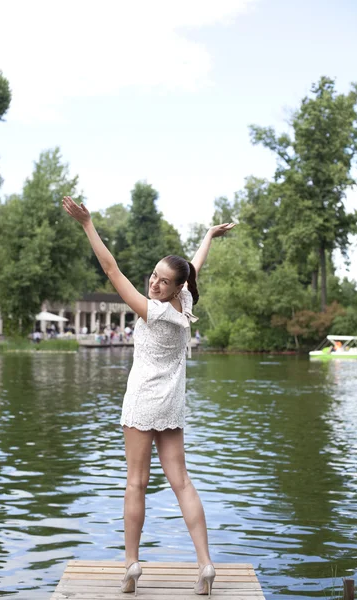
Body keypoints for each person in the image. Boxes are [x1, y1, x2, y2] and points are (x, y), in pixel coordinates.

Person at [62, 196, 235, 597]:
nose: (154, 283)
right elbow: (194, 267)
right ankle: (205, 564)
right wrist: (208, 235)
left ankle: (131, 564)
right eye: (153, 275)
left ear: (174, 286)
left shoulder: (151, 310)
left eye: (161, 280)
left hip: (142, 403)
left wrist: (88, 224)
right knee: (182, 482)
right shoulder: (185, 304)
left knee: (135, 483)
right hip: (171, 404)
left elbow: (110, 268)